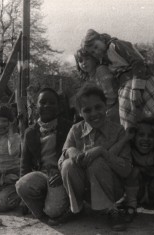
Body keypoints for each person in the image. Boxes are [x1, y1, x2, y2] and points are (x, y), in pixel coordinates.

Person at [58, 83, 132, 231]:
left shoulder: (118, 131)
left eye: (98, 107)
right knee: (68, 164)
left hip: (112, 188)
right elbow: (61, 161)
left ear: (106, 106)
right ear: (80, 113)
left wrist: (102, 152)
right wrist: (70, 151)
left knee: (97, 161)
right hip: (84, 189)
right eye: (87, 110)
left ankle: (111, 209)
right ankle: (76, 209)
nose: (94, 113)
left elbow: (126, 170)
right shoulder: (76, 130)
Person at [82, 29, 154, 129]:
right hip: (124, 87)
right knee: (127, 123)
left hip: (141, 81)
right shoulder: (105, 59)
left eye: (96, 46)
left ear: (101, 39)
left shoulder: (115, 45)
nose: (96, 51)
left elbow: (138, 61)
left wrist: (137, 88)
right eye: (93, 52)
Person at [16, 88, 72, 226]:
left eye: (52, 102)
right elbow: (25, 163)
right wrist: (23, 199)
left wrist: (61, 173)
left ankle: (69, 208)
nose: (47, 105)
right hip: (41, 174)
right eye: (43, 102)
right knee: (21, 185)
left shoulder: (68, 127)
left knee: (53, 211)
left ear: (59, 107)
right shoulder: (30, 132)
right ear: (36, 106)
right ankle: (44, 214)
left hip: (60, 175)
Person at [109, 117, 154, 223]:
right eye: (141, 135)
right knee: (133, 170)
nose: (146, 139)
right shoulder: (130, 149)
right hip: (137, 194)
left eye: (151, 136)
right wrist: (125, 138)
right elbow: (109, 157)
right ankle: (131, 206)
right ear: (134, 137)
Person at [75, 48, 120, 123]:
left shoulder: (101, 70)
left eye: (87, 59)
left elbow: (111, 96)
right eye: (80, 61)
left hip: (113, 108)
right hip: (101, 110)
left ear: (94, 59)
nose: (84, 63)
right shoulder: (88, 78)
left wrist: (102, 112)